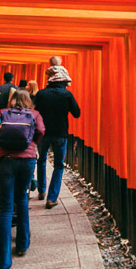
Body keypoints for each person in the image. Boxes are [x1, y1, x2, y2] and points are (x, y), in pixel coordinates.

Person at [0, 88, 44, 269]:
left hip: (6, 159)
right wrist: (29, 142)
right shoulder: (34, 114)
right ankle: (22, 245)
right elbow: (41, 131)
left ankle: (2, 263)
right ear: (29, 100)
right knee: (22, 200)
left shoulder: (4, 113)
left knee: (6, 207)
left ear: (12, 100)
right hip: (27, 159)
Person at [33, 65, 80, 208]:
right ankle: (52, 198)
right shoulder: (67, 95)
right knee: (59, 165)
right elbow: (77, 113)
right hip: (60, 133)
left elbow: (35, 112)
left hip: (43, 133)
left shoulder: (41, 94)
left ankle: (41, 191)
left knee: (41, 160)